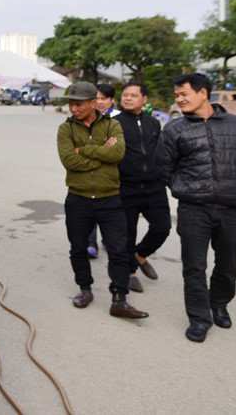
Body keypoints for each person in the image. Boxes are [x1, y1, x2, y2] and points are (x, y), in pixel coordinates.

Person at [155, 72, 236, 343]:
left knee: (229, 264)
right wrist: (185, 188)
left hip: (232, 208)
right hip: (194, 209)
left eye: (184, 94)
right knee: (194, 266)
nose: (179, 99)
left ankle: (219, 304)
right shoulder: (175, 129)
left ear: (203, 93)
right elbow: (164, 168)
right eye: (176, 95)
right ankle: (199, 318)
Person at [56, 82, 147, 319]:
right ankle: (85, 289)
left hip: (110, 199)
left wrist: (83, 150)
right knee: (78, 248)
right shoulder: (65, 130)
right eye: (70, 103)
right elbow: (69, 161)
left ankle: (120, 298)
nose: (73, 108)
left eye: (78, 104)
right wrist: (101, 153)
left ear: (92, 103)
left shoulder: (112, 124)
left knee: (118, 250)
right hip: (78, 199)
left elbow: (117, 154)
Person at [116, 81, 171, 294]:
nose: (128, 98)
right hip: (126, 187)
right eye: (125, 95)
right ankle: (130, 272)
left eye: (133, 95)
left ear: (144, 99)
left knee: (162, 227)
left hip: (154, 187)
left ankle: (139, 256)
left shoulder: (153, 123)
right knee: (128, 233)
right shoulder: (114, 123)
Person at [85, 83, 119, 258]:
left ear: (112, 100)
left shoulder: (119, 119)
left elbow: (117, 148)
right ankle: (91, 243)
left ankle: (109, 239)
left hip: (115, 172)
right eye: (95, 98)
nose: (99, 102)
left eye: (103, 98)